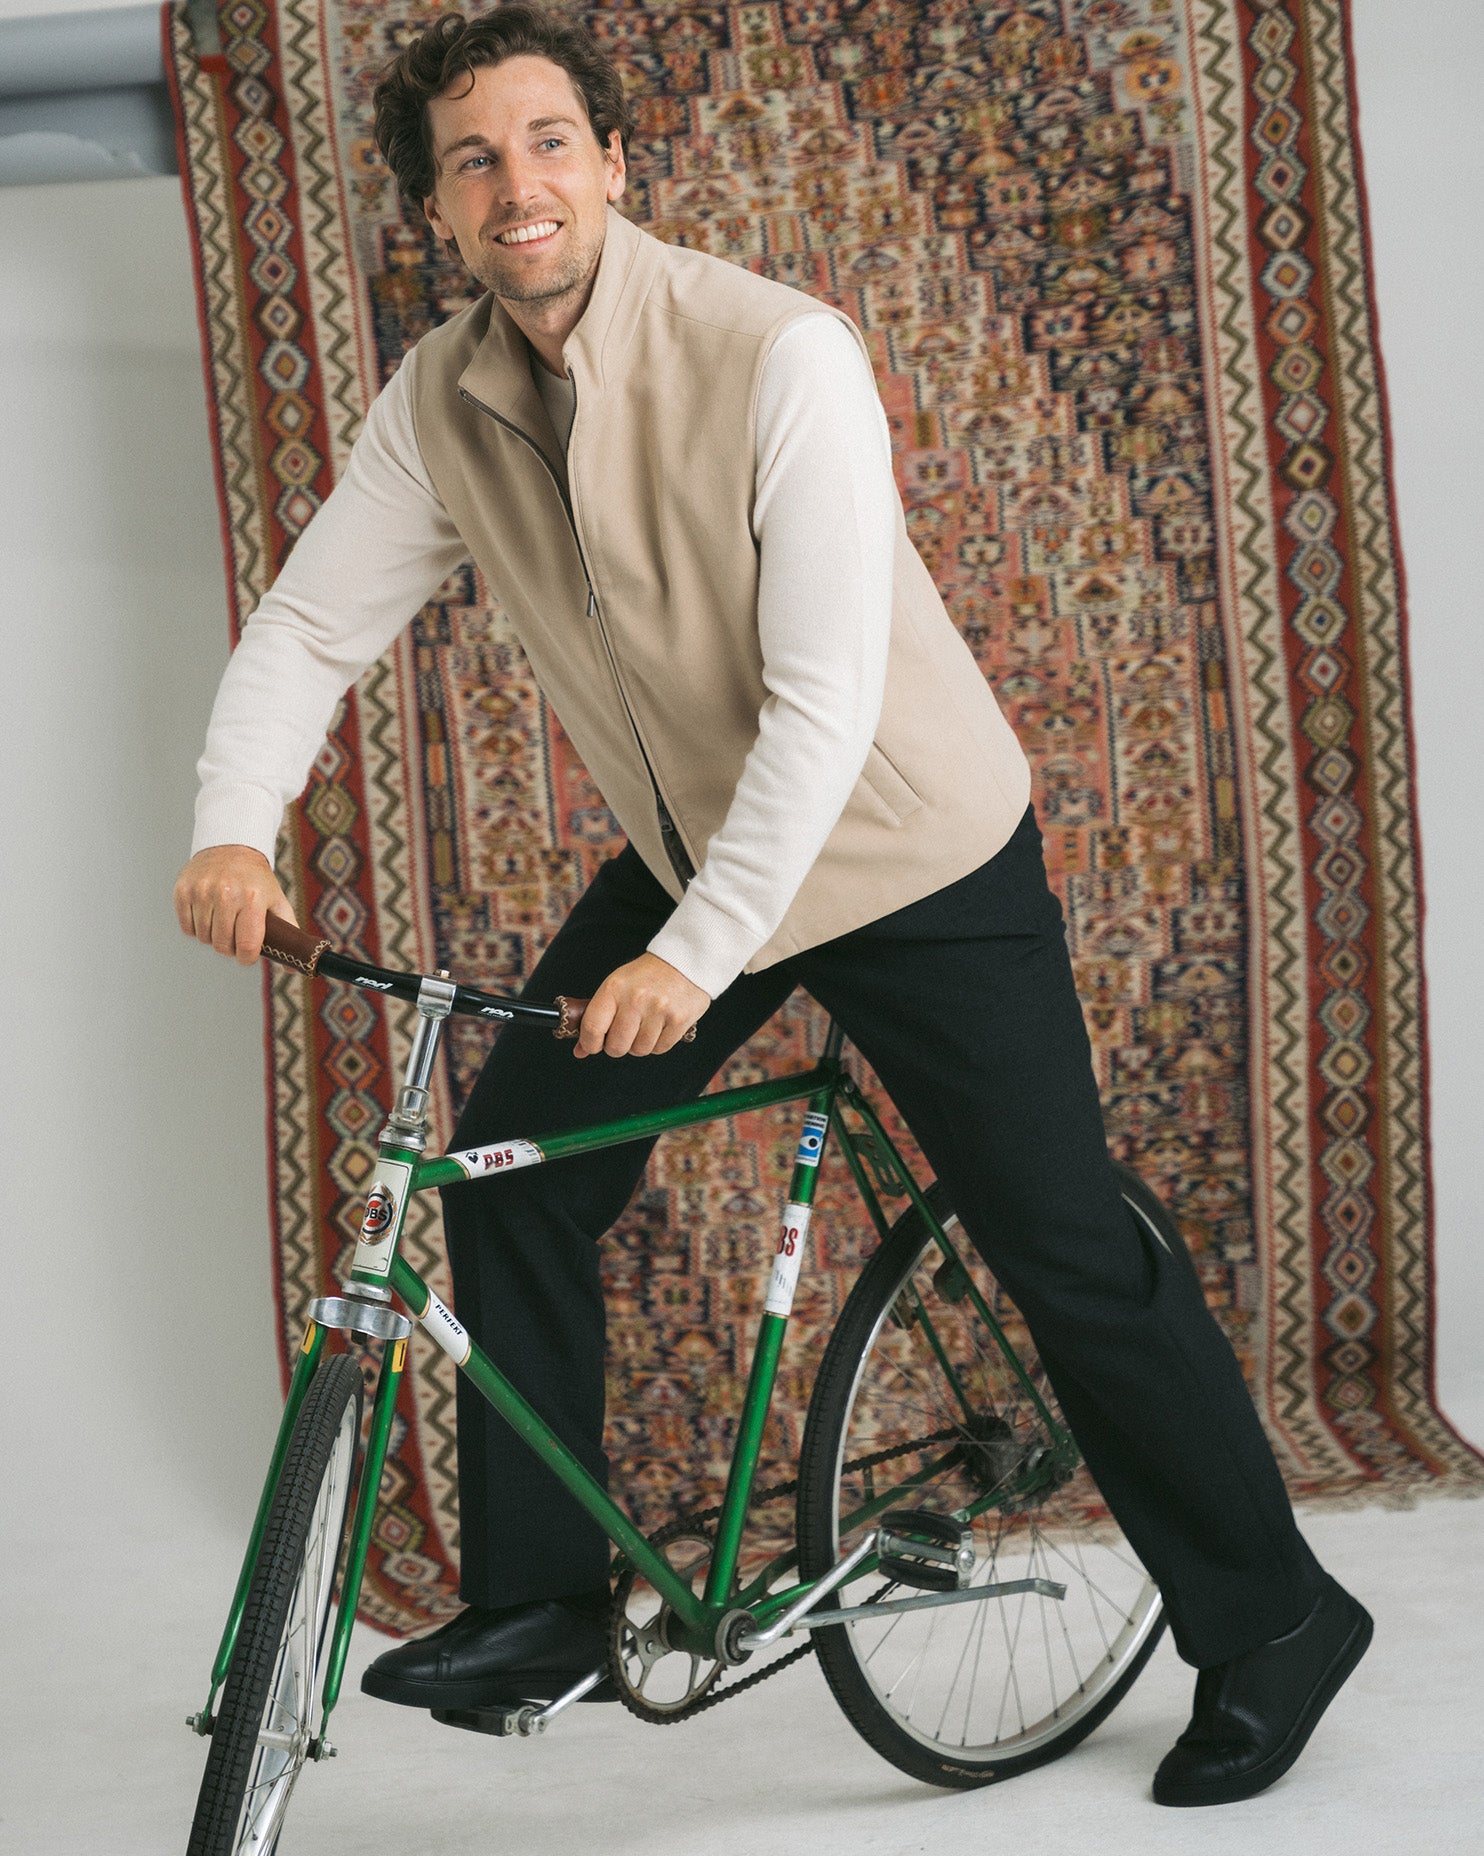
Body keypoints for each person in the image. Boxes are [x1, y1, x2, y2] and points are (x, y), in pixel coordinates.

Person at [174, 7, 1371, 1806]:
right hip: (696, 849)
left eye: (552, 141)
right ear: (436, 205)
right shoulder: (439, 398)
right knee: (515, 1172)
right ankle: (542, 1608)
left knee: (1059, 1247)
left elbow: (824, 709)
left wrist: (688, 957)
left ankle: (1275, 1619)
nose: (522, 185)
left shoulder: (773, 353)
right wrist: (233, 823)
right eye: (477, 159)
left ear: (616, 162)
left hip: (905, 849)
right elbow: (311, 625)